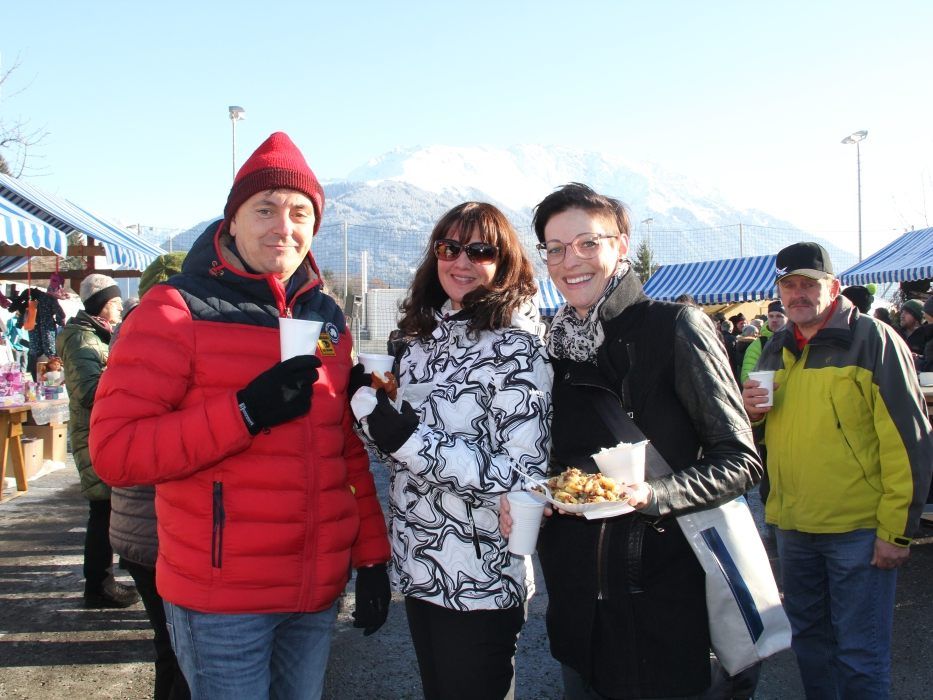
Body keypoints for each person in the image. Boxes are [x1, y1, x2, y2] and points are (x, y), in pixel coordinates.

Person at [89, 132, 391, 699]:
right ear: (231, 221)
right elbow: (116, 452)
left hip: (314, 591)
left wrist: (372, 557)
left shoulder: (326, 319)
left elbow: (342, 445)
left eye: (300, 212)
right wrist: (245, 412)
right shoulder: (176, 310)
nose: (284, 225)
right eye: (265, 209)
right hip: (221, 598)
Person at [504, 183, 762, 699]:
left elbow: (740, 461)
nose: (569, 260)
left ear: (621, 244)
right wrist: (536, 492)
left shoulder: (674, 327)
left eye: (586, 243)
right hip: (577, 601)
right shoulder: (551, 348)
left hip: (662, 600)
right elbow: (556, 457)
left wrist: (654, 495)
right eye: (554, 249)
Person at [350, 202, 553, 700]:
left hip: (480, 576)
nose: (461, 261)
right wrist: (368, 413)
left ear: (504, 263)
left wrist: (409, 439)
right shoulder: (419, 340)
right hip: (420, 566)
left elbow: (520, 477)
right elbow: (396, 455)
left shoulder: (519, 348)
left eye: (480, 251)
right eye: (450, 247)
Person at [742, 242, 933, 699]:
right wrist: (752, 413)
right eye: (789, 285)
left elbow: (909, 443)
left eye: (810, 283)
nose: (799, 294)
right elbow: (766, 432)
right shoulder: (777, 346)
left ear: (835, 286)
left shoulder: (873, 340)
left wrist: (897, 530)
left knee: (859, 657)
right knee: (809, 647)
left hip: (859, 530)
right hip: (792, 528)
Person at [108, 252, 190, 700]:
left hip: (136, 525)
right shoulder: (161, 334)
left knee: (169, 647)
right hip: (160, 525)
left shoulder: (127, 332)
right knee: (181, 652)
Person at [57, 273, 140, 608]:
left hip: (103, 432)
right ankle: (98, 586)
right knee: (101, 510)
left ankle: (103, 583)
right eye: (116, 301)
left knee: (106, 508)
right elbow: (89, 391)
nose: (120, 307)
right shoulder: (80, 340)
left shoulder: (98, 335)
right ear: (102, 305)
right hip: (92, 434)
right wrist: (124, 371)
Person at [740, 300, 787, 384]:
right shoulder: (759, 344)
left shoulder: (797, 339)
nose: (774, 320)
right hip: (769, 394)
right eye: (771, 316)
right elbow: (747, 377)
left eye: (779, 316)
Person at [899, 298, 932, 370]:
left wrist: (916, 359)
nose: (902, 315)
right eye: (902, 312)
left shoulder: (928, 336)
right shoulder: (896, 334)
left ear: (917, 317)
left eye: (907, 313)